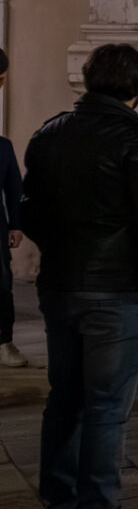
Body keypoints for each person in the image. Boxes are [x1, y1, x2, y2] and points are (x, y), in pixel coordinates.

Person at [22, 44, 138, 509]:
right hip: (119, 290)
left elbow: (31, 210)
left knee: (64, 402)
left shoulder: (49, 133)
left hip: (61, 286)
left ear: (87, 80)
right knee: (107, 409)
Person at [0, 48, 25, 368]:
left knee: (2, 284)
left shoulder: (3, 148)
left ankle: (3, 341)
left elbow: (14, 188)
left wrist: (16, 223)